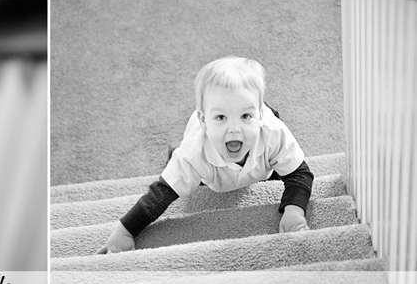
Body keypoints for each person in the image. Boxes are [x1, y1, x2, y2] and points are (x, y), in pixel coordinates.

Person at [97, 56, 313, 254]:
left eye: (246, 115)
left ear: (260, 116)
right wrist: (125, 230)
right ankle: (182, 145)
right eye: (221, 117)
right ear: (203, 120)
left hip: (262, 143)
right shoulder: (195, 154)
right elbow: (161, 192)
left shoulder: (273, 133)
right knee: (185, 173)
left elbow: (299, 173)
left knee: (275, 168)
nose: (234, 129)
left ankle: (241, 114)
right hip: (203, 159)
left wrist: (294, 210)